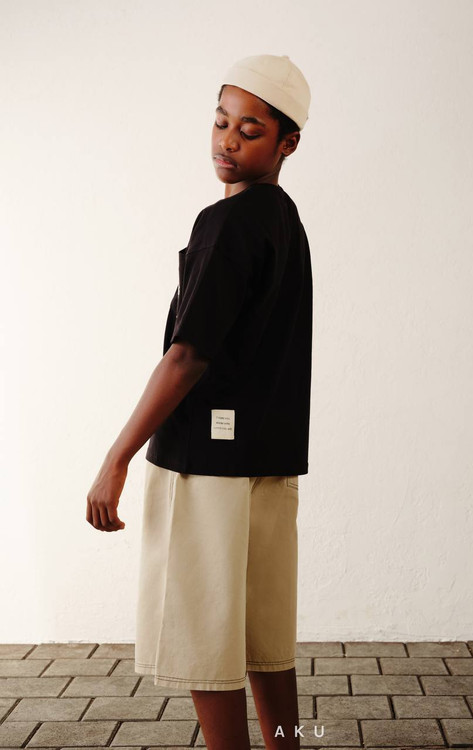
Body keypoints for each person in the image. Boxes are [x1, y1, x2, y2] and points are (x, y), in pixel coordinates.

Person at [85, 54, 313, 750]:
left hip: (206, 467)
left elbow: (187, 355)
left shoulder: (229, 223)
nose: (227, 140)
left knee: (203, 637)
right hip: (268, 462)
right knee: (264, 639)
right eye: (221, 122)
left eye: (250, 129)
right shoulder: (284, 219)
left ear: (287, 143)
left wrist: (116, 458)